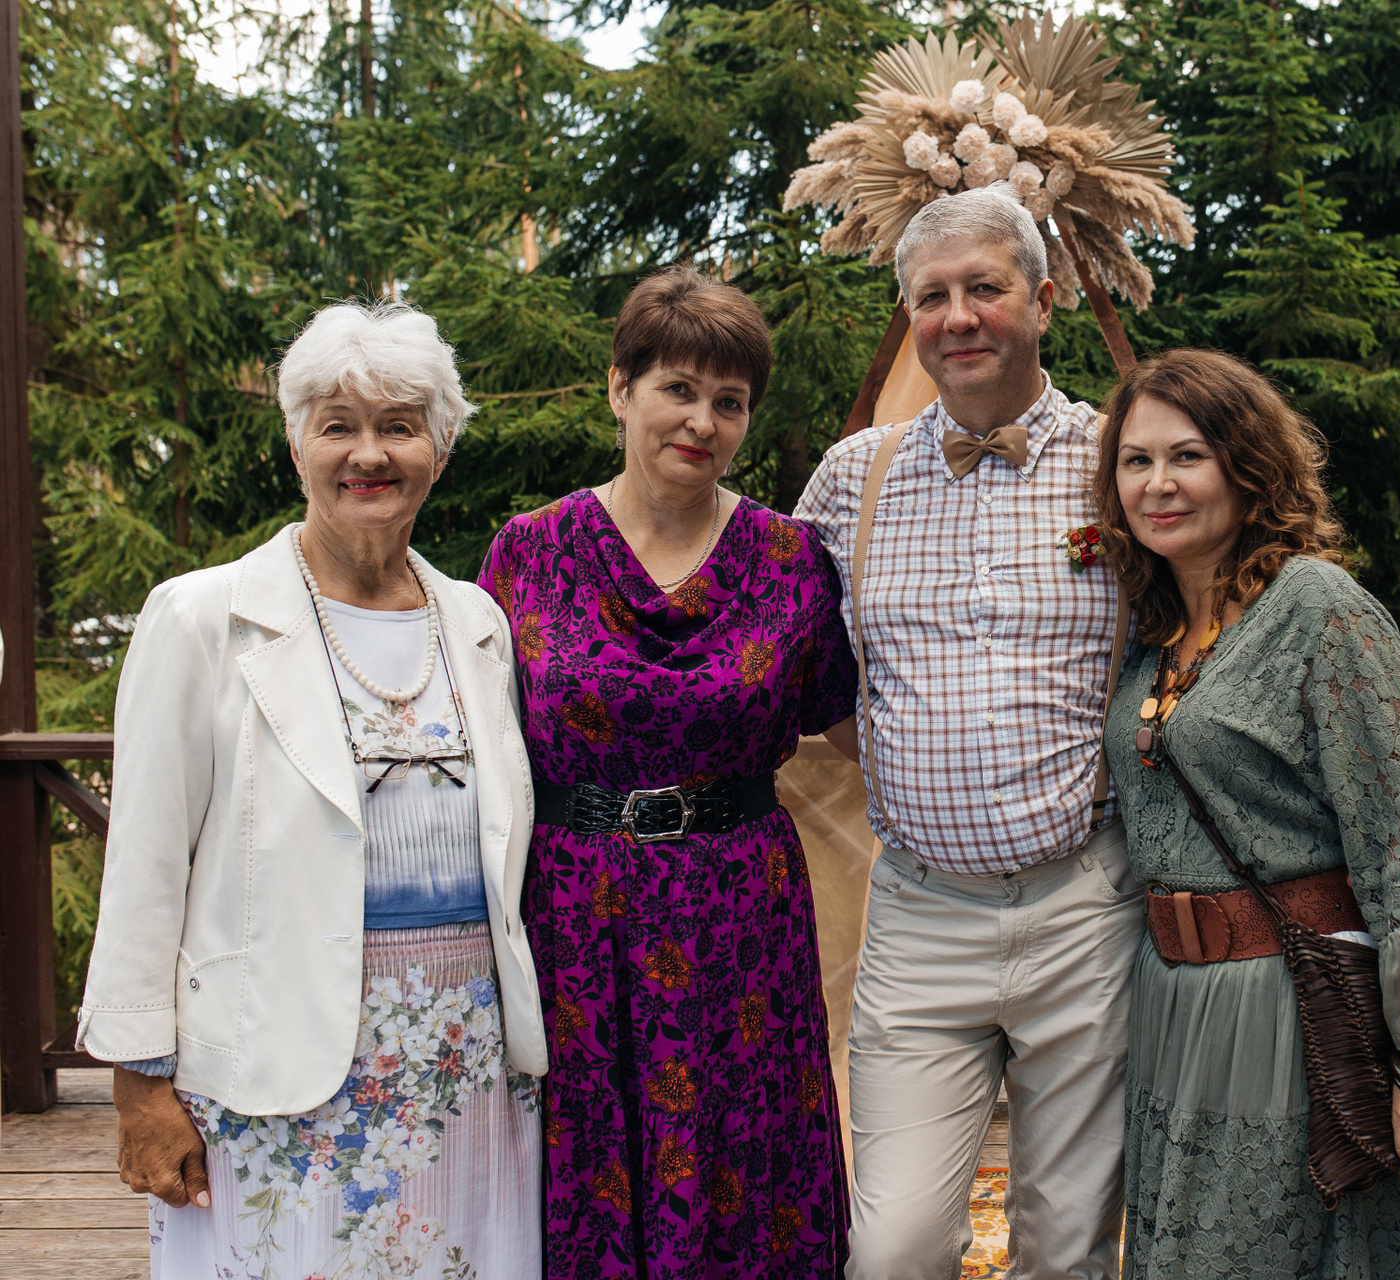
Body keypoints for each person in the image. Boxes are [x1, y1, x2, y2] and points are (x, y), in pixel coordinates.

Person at [78, 300, 547, 1278]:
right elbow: (146, 863)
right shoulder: (202, 617)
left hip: (463, 1072)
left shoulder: (479, 623)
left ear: (439, 449)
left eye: (399, 426)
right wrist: (139, 1084)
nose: (368, 454)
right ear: (297, 444)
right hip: (274, 1078)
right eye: (339, 426)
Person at [478, 267, 857, 1278]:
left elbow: (861, 728)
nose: (702, 421)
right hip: (575, 912)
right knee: (588, 1158)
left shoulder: (790, 560)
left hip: (741, 910)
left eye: (729, 401)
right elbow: (471, 738)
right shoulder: (527, 554)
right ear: (620, 388)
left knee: (745, 1153)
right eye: (677, 390)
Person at [793, 185, 1140, 1280]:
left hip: (1086, 906)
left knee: (1067, 1248)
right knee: (890, 1247)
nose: (958, 318)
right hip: (919, 917)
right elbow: (784, 656)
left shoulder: (1122, 463)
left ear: (1044, 298)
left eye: (984, 288)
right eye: (931, 296)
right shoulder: (854, 478)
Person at [1093, 348, 1400, 1279]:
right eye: (1136, 460)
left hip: (1293, 1007)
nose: (1157, 484)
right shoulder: (1153, 628)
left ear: (1248, 466)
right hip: (1172, 1004)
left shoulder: (1319, 610)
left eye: (1187, 456)